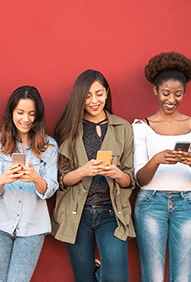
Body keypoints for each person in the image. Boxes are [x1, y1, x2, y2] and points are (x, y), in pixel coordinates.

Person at [52, 69, 135, 282]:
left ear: (107, 93)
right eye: (87, 96)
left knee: (117, 277)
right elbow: (61, 181)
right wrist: (83, 171)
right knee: (84, 277)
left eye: (99, 93)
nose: (94, 101)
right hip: (76, 214)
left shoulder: (122, 127)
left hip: (111, 213)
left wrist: (116, 173)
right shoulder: (68, 129)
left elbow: (129, 181)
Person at [0, 86, 58, 281]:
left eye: (31, 114)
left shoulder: (49, 146)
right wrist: (3, 180)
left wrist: (36, 178)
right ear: (11, 112)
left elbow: (50, 189)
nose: (26, 119)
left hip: (33, 227)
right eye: (21, 112)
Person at [133, 51, 191, 281]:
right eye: (166, 93)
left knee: (182, 277)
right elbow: (140, 179)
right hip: (151, 203)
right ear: (155, 91)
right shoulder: (141, 127)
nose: (171, 99)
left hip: (189, 203)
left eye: (178, 94)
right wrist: (156, 160)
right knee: (154, 276)